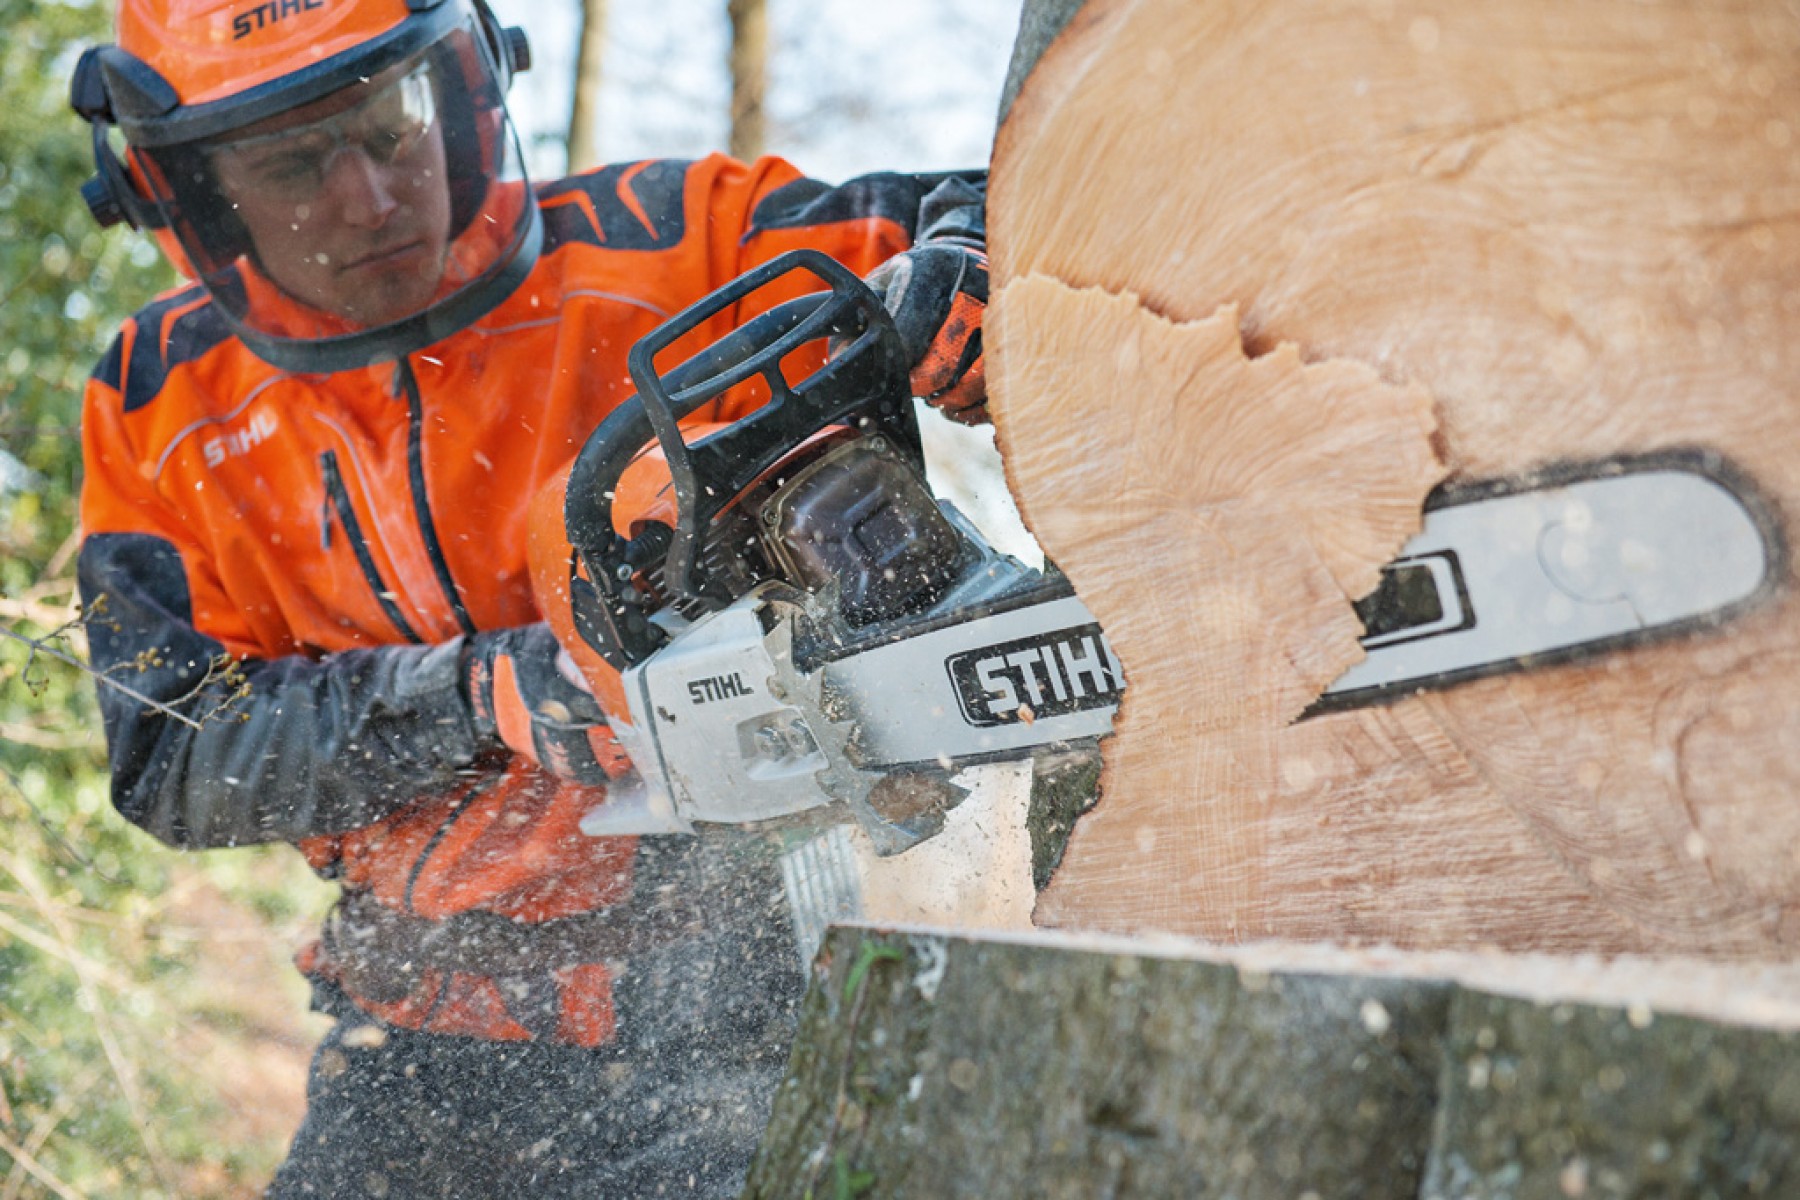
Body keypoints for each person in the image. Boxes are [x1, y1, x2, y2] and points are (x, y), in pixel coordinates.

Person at [68, 0, 989, 1194]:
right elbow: (173, 752)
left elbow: (980, 200)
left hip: (734, 1004)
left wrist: (961, 267)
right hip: (420, 1028)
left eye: (390, 130)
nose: (369, 196)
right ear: (191, 194)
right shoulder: (157, 404)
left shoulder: (663, 240)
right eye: (296, 163)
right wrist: (480, 695)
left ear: (460, 89)